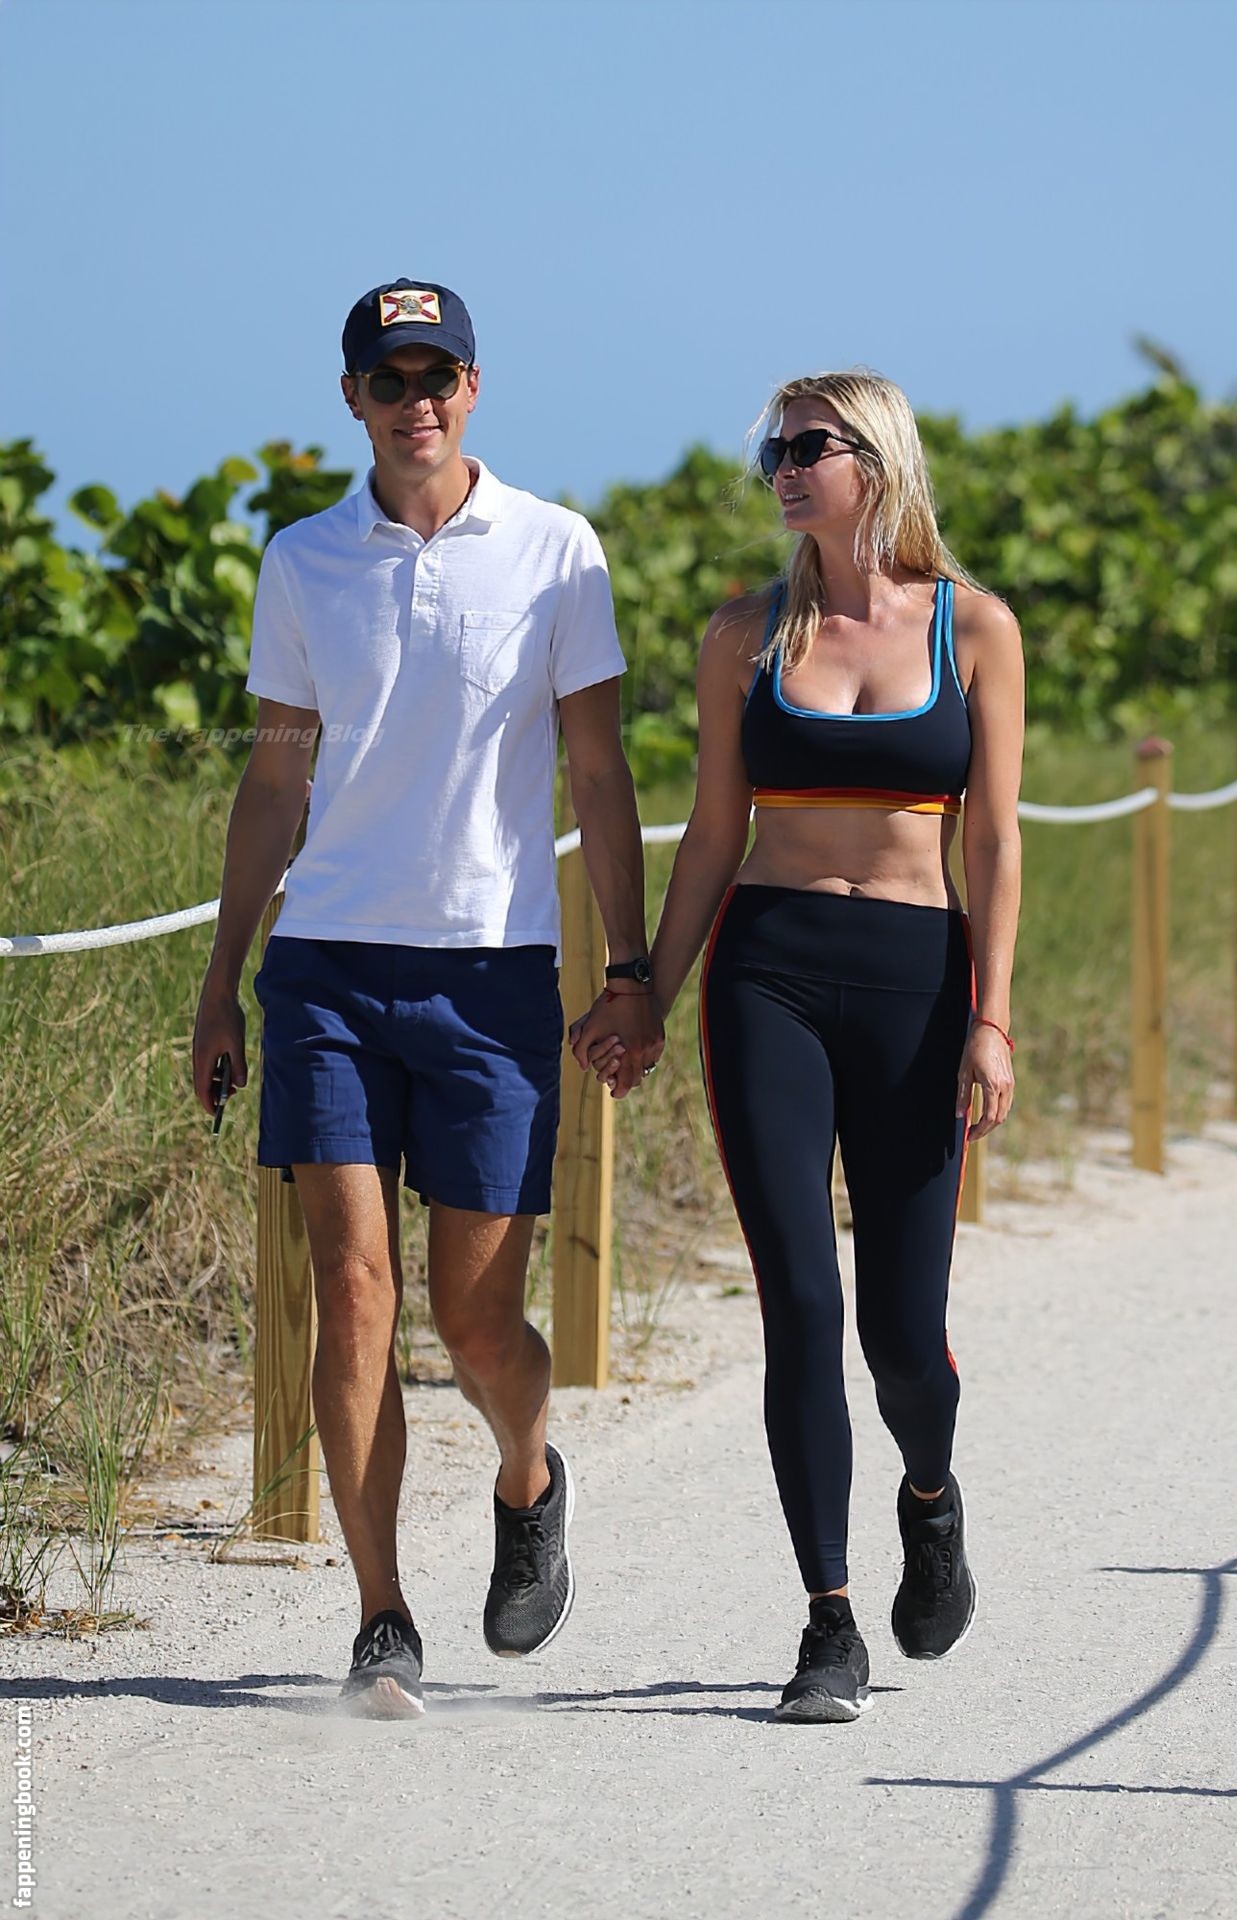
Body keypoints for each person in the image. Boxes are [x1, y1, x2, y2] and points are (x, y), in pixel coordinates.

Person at [192, 278, 663, 1719]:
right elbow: (276, 776)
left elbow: (597, 770)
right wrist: (223, 982)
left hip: (492, 974)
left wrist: (630, 968)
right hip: (328, 972)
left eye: (437, 375)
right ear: (351, 397)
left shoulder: (556, 549)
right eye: (389, 379)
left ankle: (527, 1475)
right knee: (353, 1293)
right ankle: (381, 1617)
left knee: (475, 1323)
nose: (416, 402)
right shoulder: (302, 561)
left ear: (473, 386)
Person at [573, 368, 1023, 1723]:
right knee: (801, 1308)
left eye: (806, 447)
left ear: (874, 461)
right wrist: (644, 989)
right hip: (767, 975)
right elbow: (716, 829)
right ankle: (828, 1619)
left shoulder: (974, 627)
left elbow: (996, 842)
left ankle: (929, 1499)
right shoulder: (743, 635)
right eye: (771, 450)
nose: (780, 468)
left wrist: (992, 1019)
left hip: (916, 983)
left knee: (902, 1336)